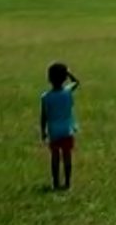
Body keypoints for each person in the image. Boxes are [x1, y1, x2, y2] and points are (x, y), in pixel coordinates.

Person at [40, 62, 79, 190]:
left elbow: (44, 116)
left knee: (55, 158)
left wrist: (43, 131)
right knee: (67, 156)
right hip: (67, 131)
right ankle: (67, 182)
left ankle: (56, 182)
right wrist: (68, 72)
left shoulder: (46, 97)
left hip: (54, 131)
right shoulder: (68, 92)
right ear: (64, 78)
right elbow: (76, 82)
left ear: (49, 78)